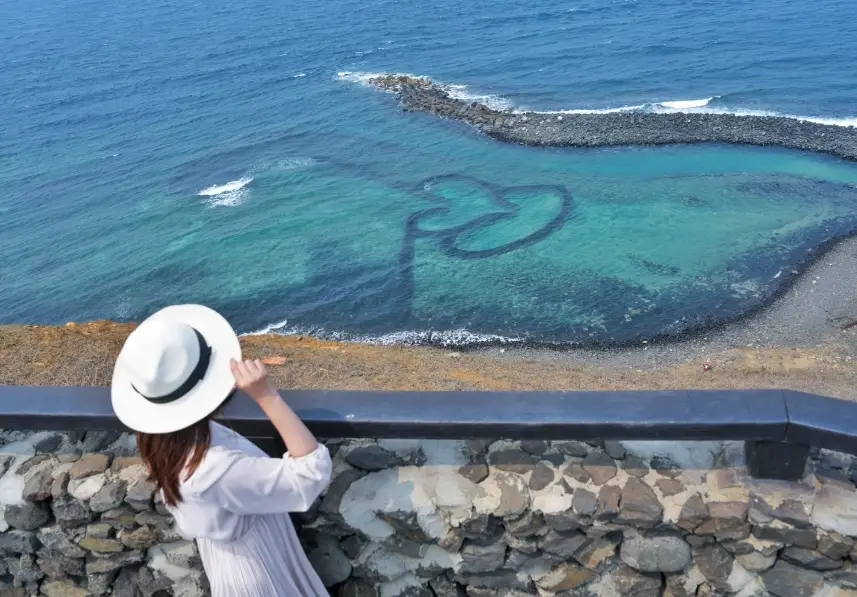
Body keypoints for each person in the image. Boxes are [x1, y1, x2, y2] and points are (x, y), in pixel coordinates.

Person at [110, 304, 332, 597]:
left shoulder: (163, 443)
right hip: (258, 568)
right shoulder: (212, 469)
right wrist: (267, 397)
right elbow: (310, 473)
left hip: (234, 559)